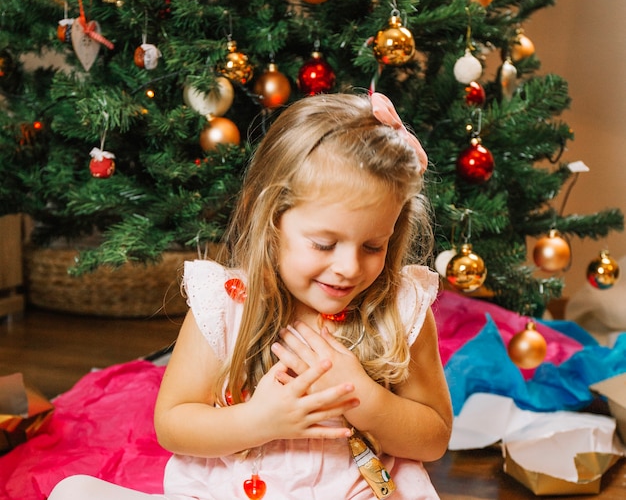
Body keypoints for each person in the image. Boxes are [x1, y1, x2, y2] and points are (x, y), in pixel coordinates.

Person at [48, 91, 453, 500]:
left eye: (372, 246)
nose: (349, 267)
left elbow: (433, 437)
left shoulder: (399, 309)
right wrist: (260, 421)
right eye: (323, 244)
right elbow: (173, 424)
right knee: (73, 492)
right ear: (271, 219)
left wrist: (365, 398)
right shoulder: (227, 302)